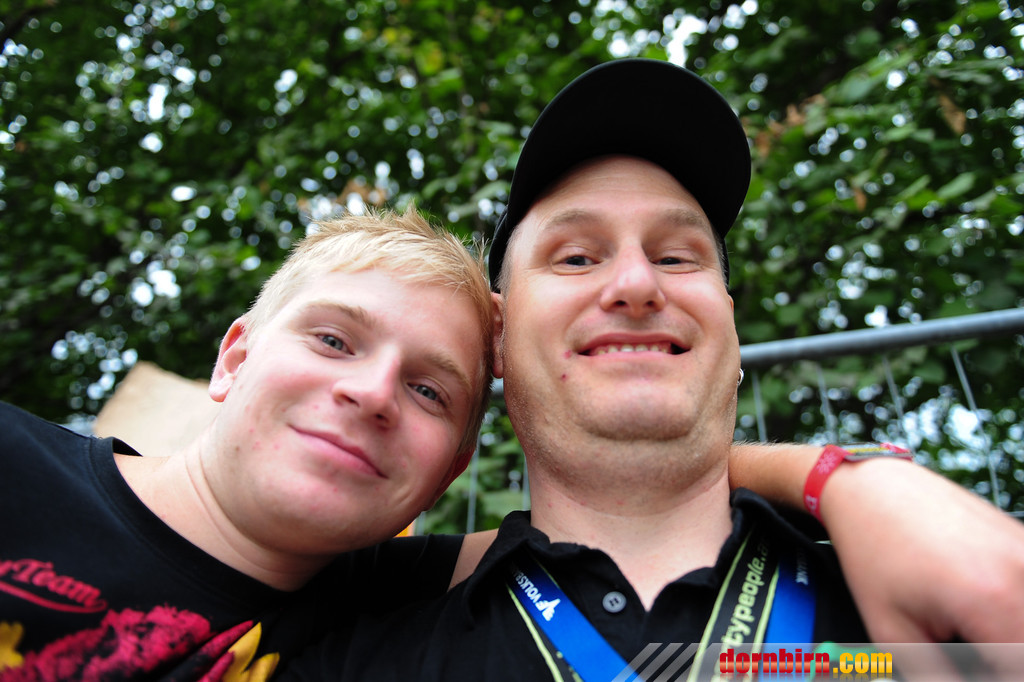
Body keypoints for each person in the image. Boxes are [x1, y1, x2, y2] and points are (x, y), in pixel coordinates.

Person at [278, 59, 1024, 681]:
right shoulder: (342, 648)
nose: (636, 284)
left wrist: (847, 480)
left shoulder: (959, 597)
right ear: (498, 340)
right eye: (577, 257)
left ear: (729, 325)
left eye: (676, 256)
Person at [0, 208, 496, 680]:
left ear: (448, 475)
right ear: (234, 360)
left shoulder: (401, 608)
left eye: (428, 392)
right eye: (332, 341)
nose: (373, 394)